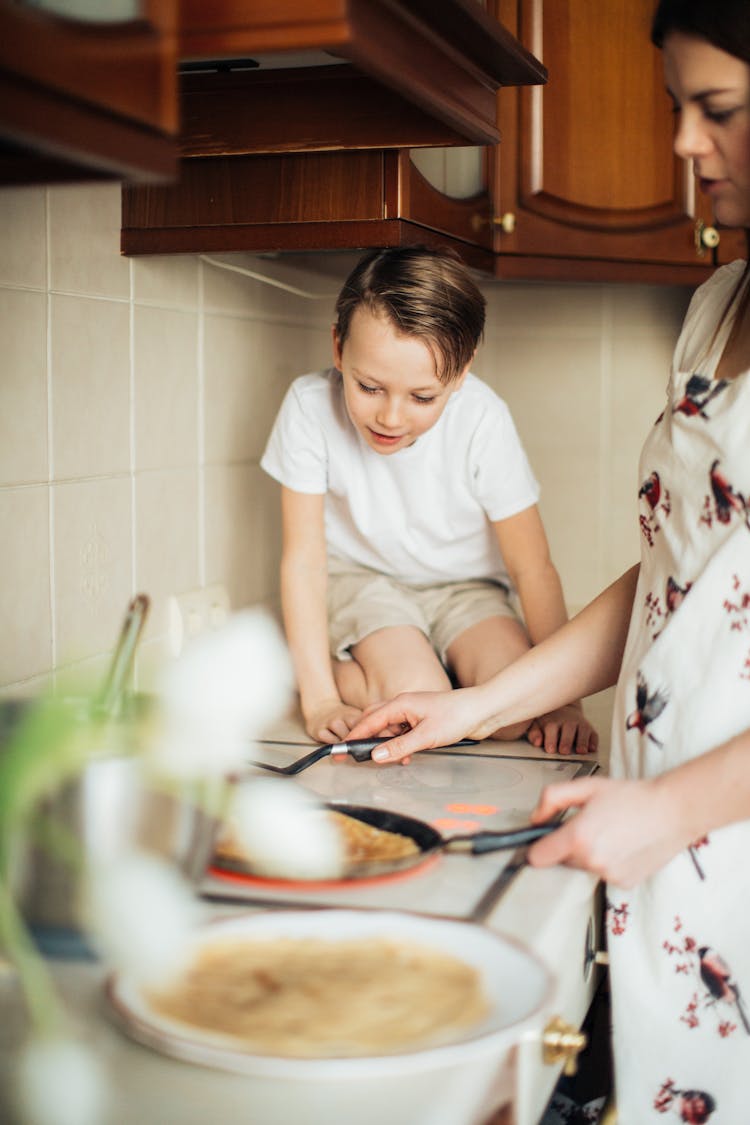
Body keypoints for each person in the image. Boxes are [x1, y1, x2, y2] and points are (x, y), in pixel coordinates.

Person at [347, 1, 750, 1119]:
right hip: (664, 833)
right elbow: (682, 574)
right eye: (679, 106)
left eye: (717, 110)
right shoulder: (718, 303)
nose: (682, 143)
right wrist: (469, 713)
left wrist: (672, 808)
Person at [261, 245, 597, 752]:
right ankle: (322, 666)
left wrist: (564, 704)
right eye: (369, 386)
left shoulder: (483, 418)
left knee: (509, 715)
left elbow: (533, 567)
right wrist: (320, 699)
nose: (391, 418)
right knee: (414, 705)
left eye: (422, 398)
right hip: (367, 581)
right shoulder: (309, 408)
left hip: (467, 588)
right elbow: (305, 561)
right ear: (338, 349)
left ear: (460, 374)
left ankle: (426, 661)